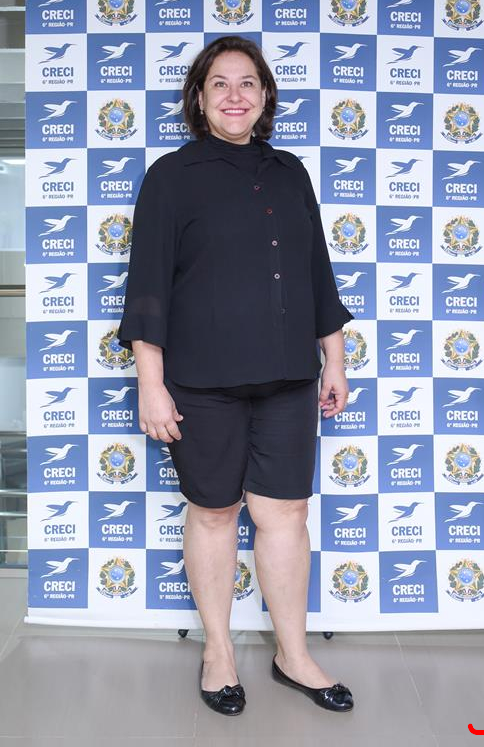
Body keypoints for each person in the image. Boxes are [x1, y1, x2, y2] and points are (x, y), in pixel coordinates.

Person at [117, 35, 355, 716]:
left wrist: (334, 358)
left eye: (247, 82)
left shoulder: (289, 172)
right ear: (198, 98)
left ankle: (292, 653)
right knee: (215, 511)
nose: (234, 95)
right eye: (218, 83)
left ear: (265, 95)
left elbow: (316, 273)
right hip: (201, 381)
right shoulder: (171, 176)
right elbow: (147, 287)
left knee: (286, 514)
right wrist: (150, 382)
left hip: (287, 377)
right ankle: (218, 652)